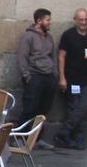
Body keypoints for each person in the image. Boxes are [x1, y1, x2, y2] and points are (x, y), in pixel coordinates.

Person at [56, 9, 87, 150]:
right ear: (75, 20)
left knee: (84, 106)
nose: (84, 22)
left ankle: (64, 132)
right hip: (71, 78)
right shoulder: (68, 35)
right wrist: (62, 78)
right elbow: (61, 56)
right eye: (81, 20)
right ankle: (77, 137)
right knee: (73, 108)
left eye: (86, 20)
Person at [17, 8, 57, 137]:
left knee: (43, 110)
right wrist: (26, 76)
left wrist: (54, 72)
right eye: (47, 20)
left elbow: (53, 56)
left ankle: (37, 137)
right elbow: (22, 57)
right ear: (39, 21)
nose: (50, 22)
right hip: (34, 76)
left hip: (48, 76)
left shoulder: (49, 37)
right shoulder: (28, 36)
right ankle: (20, 135)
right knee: (30, 108)